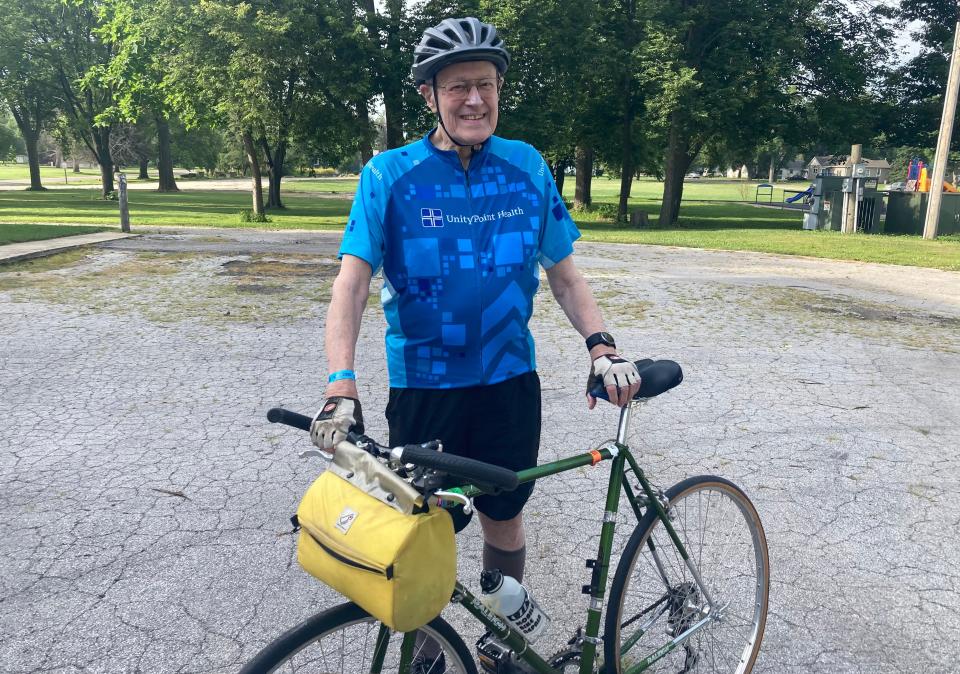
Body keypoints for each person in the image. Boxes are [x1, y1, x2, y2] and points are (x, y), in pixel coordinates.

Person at [310, 15, 641, 657]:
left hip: (507, 382)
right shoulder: (389, 175)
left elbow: (566, 279)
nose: (474, 99)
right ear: (429, 95)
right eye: (458, 85)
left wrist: (602, 344)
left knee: (504, 515)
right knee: (418, 531)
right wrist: (340, 384)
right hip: (424, 386)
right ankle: (430, 659)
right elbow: (349, 287)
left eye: (485, 84)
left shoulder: (526, 167)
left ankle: (500, 644)